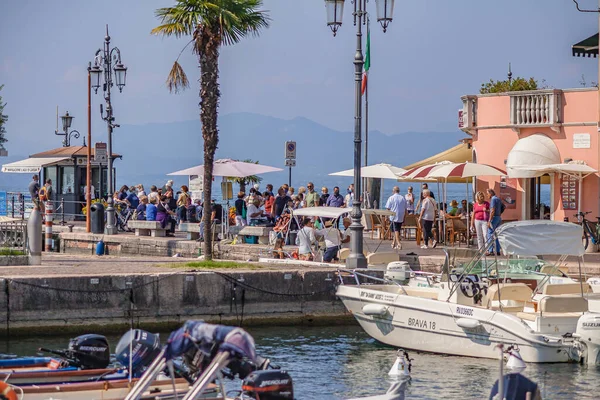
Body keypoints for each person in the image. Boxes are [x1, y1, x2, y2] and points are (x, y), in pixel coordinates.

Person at [486, 188, 502, 256]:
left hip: (494, 218)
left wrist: (489, 220)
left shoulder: (493, 199)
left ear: (490, 193)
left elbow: (492, 210)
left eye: (487, 194)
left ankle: (490, 250)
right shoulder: (498, 199)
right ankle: (498, 250)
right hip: (498, 217)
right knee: (497, 235)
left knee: (490, 234)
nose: (487, 195)